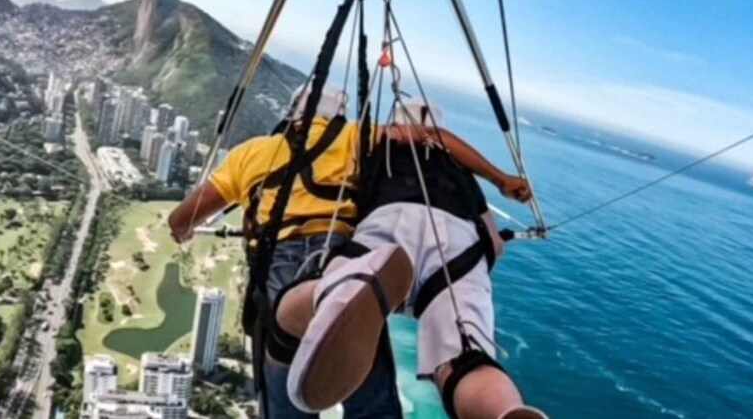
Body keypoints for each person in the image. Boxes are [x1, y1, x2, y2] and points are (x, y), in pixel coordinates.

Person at [274, 98, 547, 419]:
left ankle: (334, 293)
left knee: (333, 284)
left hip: (390, 223)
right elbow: (491, 240)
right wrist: (499, 184)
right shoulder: (458, 170)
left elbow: (346, 205)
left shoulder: (381, 144)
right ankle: (505, 411)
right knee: (465, 357)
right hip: (457, 241)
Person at [167, 83, 403, 419]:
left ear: (291, 112)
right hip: (342, 258)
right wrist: (499, 180)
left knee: (284, 394)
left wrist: (182, 231)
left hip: (279, 264)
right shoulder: (355, 137)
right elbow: (417, 137)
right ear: (338, 114)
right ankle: (327, 298)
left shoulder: (252, 153)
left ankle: (309, 302)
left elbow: (182, 217)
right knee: (371, 400)